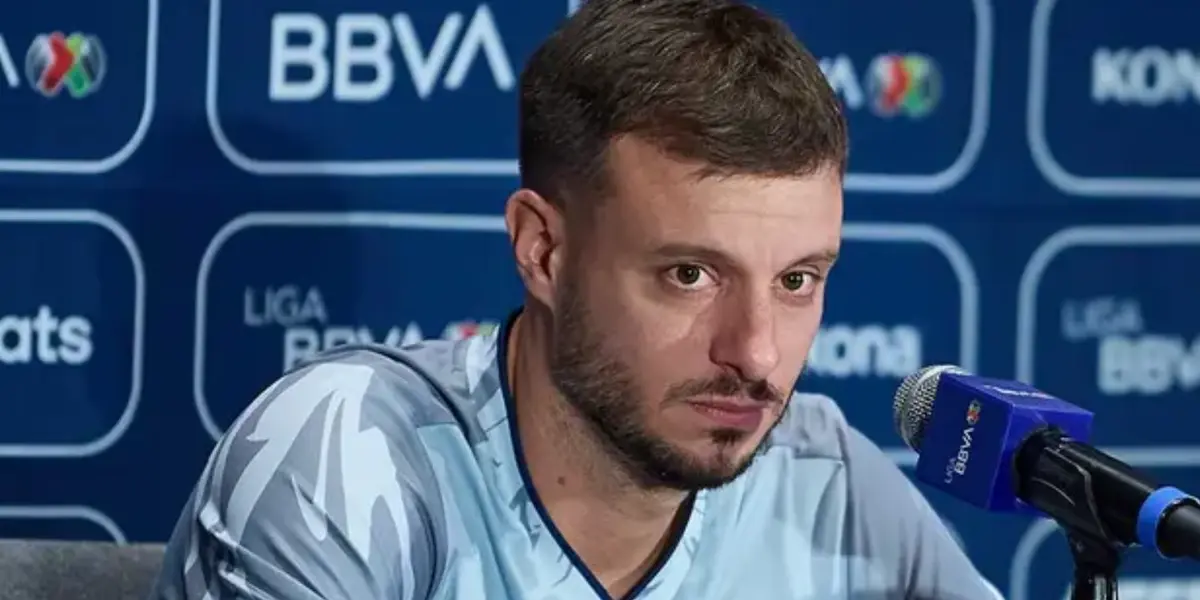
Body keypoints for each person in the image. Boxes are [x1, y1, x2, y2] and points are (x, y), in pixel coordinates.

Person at [151, 0, 1001, 598]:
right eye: (690, 275)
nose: (758, 355)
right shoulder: (352, 454)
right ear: (542, 250)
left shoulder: (825, 482)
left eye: (796, 281)